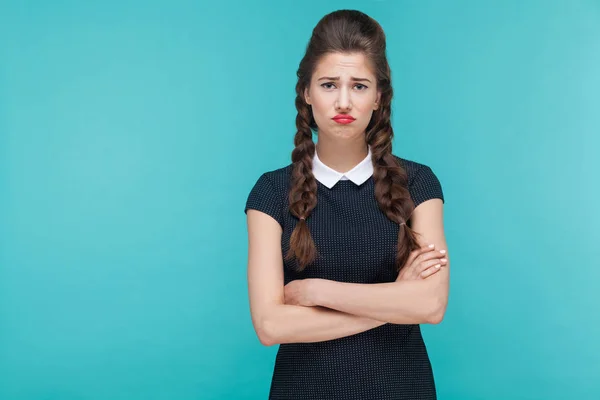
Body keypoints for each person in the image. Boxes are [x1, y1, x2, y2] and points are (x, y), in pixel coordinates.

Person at [243, 9, 449, 400]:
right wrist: (393, 300)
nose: (343, 101)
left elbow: (431, 304)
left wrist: (318, 291)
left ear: (378, 97)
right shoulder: (270, 194)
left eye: (358, 86)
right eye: (328, 84)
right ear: (306, 93)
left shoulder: (418, 183)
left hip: (402, 390)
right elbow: (271, 325)